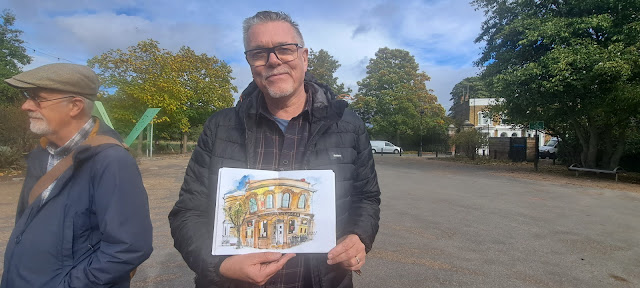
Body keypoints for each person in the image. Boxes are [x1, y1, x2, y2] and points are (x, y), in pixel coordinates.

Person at [169, 11, 381, 287]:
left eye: (284, 49)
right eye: (259, 53)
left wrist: (358, 237)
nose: (273, 60)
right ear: (250, 63)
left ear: (304, 57)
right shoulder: (220, 127)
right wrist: (220, 265)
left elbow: (366, 198)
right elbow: (188, 212)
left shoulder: (348, 125)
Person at [1, 63, 153, 287]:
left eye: (37, 98)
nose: (25, 106)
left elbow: (128, 248)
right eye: (27, 97)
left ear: (75, 106)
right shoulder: (41, 155)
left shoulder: (111, 161)